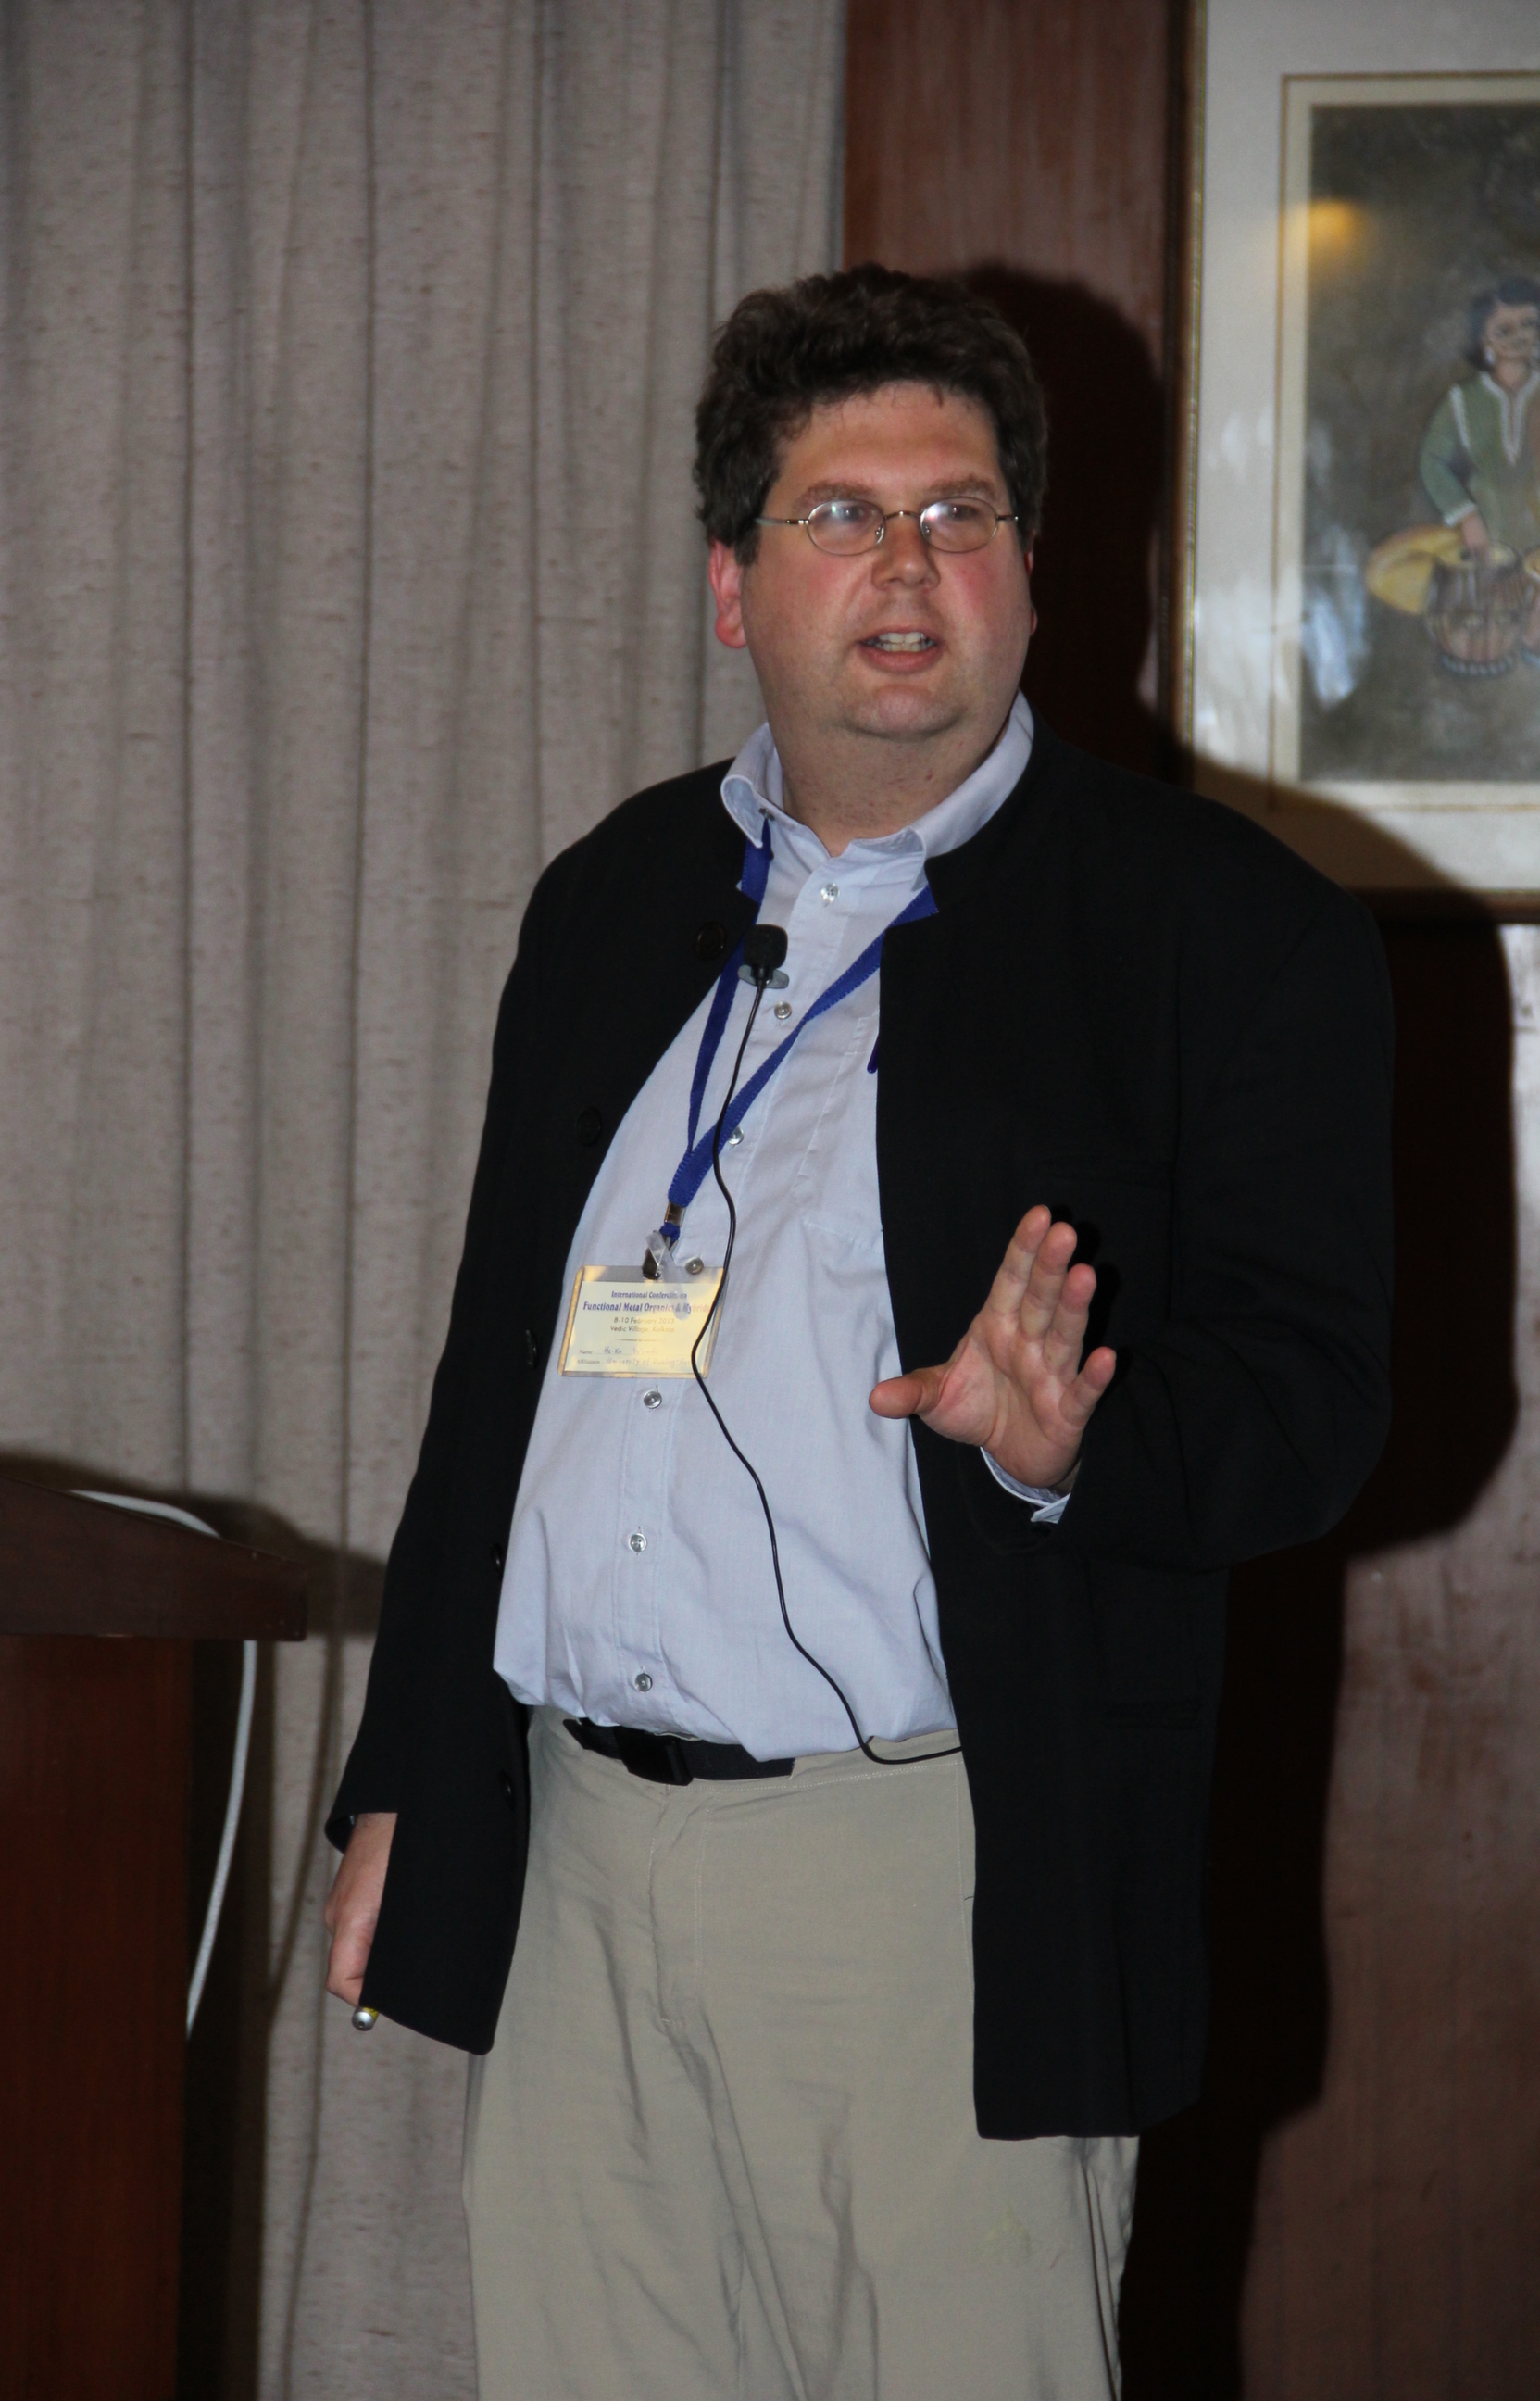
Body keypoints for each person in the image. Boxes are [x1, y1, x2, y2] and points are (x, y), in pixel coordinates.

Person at [324, 264, 1393, 2400]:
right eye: (840, 515)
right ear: (734, 584)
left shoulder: (1218, 929)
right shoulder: (612, 898)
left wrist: (1066, 1442)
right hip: (581, 1859)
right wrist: (404, 1782)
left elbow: (1318, 1407)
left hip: (935, 1877)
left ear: (1029, 575)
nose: (906, 566)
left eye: (959, 514)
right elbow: (495, 1387)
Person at [1419, 274, 1540, 654]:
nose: (1519, 337)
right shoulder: (1462, 401)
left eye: (1529, 324)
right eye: (1504, 330)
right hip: (1485, 538)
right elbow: (1432, 462)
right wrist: (1467, 516)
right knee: (1486, 635)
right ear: (1484, 340)